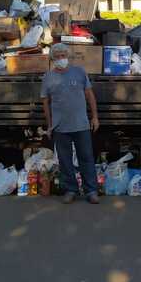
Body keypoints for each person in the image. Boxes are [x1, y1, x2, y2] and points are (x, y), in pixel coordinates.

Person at [41, 43, 100, 204]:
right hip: (60, 127)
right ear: (52, 59)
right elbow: (45, 103)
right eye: (57, 56)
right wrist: (49, 125)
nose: (61, 59)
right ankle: (71, 190)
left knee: (86, 158)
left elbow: (90, 95)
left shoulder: (79, 72)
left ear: (68, 56)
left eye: (63, 55)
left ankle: (91, 191)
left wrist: (94, 117)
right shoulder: (48, 77)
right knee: (65, 160)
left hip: (81, 125)